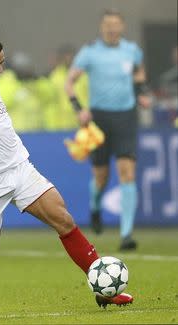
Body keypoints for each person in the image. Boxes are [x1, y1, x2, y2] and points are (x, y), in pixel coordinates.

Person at [0, 33, 133, 309]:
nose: (0, 70)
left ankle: (104, 288)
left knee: (63, 220)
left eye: (2, 63)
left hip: (19, 167)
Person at [65, 9, 151, 250]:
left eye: (116, 24)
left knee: (127, 172)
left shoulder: (131, 50)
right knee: (101, 177)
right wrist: (78, 108)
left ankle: (126, 234)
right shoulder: (90, 52)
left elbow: (139, 73)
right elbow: (69, 82)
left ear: (121, 27)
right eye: (107, 25)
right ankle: (95, 206)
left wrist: (142, 92)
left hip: (126, 116)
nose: (112, 28)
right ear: (102, 27)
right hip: (99, 119)